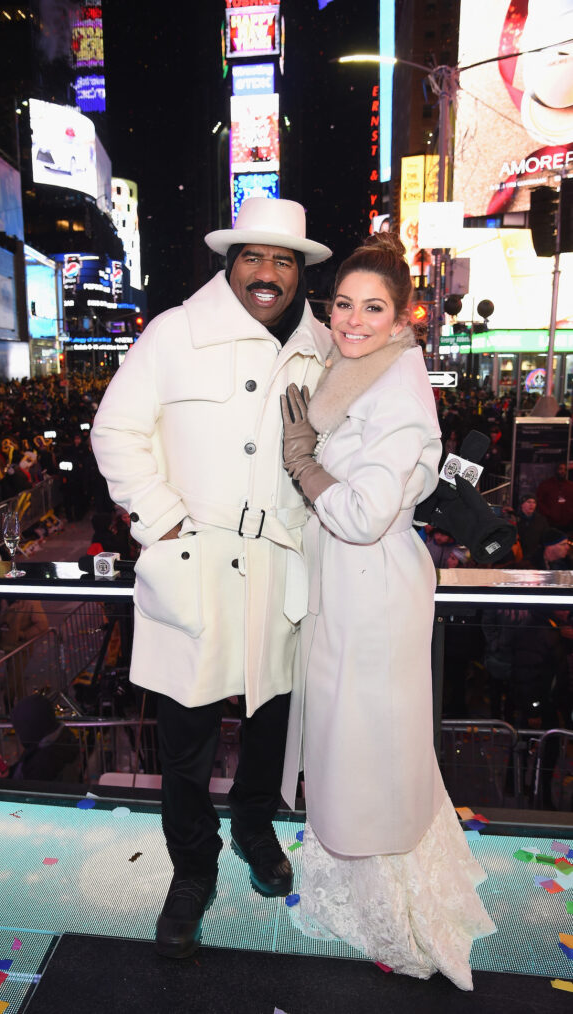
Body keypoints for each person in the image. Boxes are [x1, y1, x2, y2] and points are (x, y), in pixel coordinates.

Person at [91, 197, 333, 959]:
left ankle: (255, 831)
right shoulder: (173, 332)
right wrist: (162, 522)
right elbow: (115, 431)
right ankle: (192, 869)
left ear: (298, 274)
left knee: (269, 725)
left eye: (284, 260)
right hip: (195, 564)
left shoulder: (323, 346)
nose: (269, 273)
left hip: (282, 568)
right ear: (230, 264)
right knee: (188, 741)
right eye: (255, 258)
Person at [280, 233, 496, 991]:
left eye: (373, 307)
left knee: (368, 756)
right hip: (359, 586)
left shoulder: (398, 387)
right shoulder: (359, 369)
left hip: (369, 585)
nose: (352, 319)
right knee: (372, 753)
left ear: (403, 314)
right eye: (343, 303)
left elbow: (366, 511)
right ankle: (387, 905)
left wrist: (305, 464)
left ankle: (401, 923)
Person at [536, 462, 573, 531]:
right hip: (550, 523)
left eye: (565, 470)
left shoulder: (570, 486)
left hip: (568, 524)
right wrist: (549, 514)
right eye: (560, 469)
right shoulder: (545, 485)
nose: (563, 472)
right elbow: (539, 502)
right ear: (555, 470)